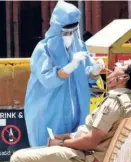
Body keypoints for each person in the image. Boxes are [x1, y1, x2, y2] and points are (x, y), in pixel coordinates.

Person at [10, 59, 131, 162]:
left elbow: (91, 141)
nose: (117, 64)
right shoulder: (127, 101)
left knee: (18, 158)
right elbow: (92, 134)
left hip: (85, 161)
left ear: (124, 77)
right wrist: (64, 137)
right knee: (32, 153)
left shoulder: (114, 101)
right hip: (87, 156)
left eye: (122, 65)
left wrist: (61, 143)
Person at [24, 1, 105, 147]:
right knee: (47, 154)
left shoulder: (80, 46)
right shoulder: (43, 50)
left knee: (73, 154)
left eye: (74, 31)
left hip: (78, 115)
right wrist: (70, 66)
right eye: (66, 32)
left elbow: (89, 84)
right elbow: (48, 79)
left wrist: (94, 72)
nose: (70, 36)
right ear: (56, 29)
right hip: (48, 113)